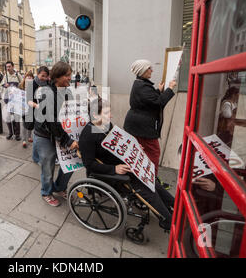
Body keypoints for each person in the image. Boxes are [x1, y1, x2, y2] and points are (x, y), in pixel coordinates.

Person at [79, 97, 175, 230]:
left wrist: (134, 148)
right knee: (146, 189)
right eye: (107, 113)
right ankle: (169, 220)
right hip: (111, 172)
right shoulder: (87, 135)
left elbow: (120, 143)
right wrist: (114, 169)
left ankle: (176, 206)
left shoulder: (107, 126)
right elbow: (89, 164)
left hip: (124, 163)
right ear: (95, 115)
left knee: (153, 182)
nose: (111, 115)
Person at [123, 59, 176, 186]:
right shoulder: (142, 86)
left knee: (142, 154)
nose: (152, 70)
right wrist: (170, 88)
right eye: (149, 68)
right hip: (142, 128)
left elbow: (150, 101)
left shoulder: (141, 84)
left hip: (138, 126)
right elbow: (158, 103)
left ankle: (143, 179)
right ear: (142, 71)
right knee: (153, 154)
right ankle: (152, 183)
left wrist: (158, 90)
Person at [33, 61, 78, 207]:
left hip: (63, 134)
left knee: (70, 163)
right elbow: (51, 122)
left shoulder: (68, 91)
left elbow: (71, 113)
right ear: (57, 76)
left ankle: (59, 188)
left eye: (70, 75)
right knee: (48, 166)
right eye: (67, 75)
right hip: (45, 136)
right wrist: (67, 140)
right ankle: (46, 192)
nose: (70, 78)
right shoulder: (47, 93)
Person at [28, 66, 50, 164]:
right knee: (37, 134)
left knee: (39, 134)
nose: (44, 78)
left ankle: (36, 156)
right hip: (35, 112)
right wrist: (37, 106)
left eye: (46, 76)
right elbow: (28, 101)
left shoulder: (48, 83)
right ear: (37, 74)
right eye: (42, 76)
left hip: (45, 112)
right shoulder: (32, 84)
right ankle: (36, 157)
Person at [0, 61, 23, 140]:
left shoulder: (17, 75)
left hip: (16, 99)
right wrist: (4, 86)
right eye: (7, 67)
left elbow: (23, 84)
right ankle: (10, 133)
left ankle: (17, 134)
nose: (8, 68)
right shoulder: (5, 76)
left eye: (9, 66)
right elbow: (0, 86)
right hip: (8, 100)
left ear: (13, 66)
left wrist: (17, 88)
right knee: (8, 117)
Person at [18, 70, 35, 148]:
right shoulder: (21, 86)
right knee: (24, 123)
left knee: (30, 123)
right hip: (23, 107)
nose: (29, 78)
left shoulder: (34, 86)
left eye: (31, 77)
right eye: (28, 76)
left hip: (31, 107)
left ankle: (29, 137)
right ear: (25, 78)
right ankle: (24, 140)